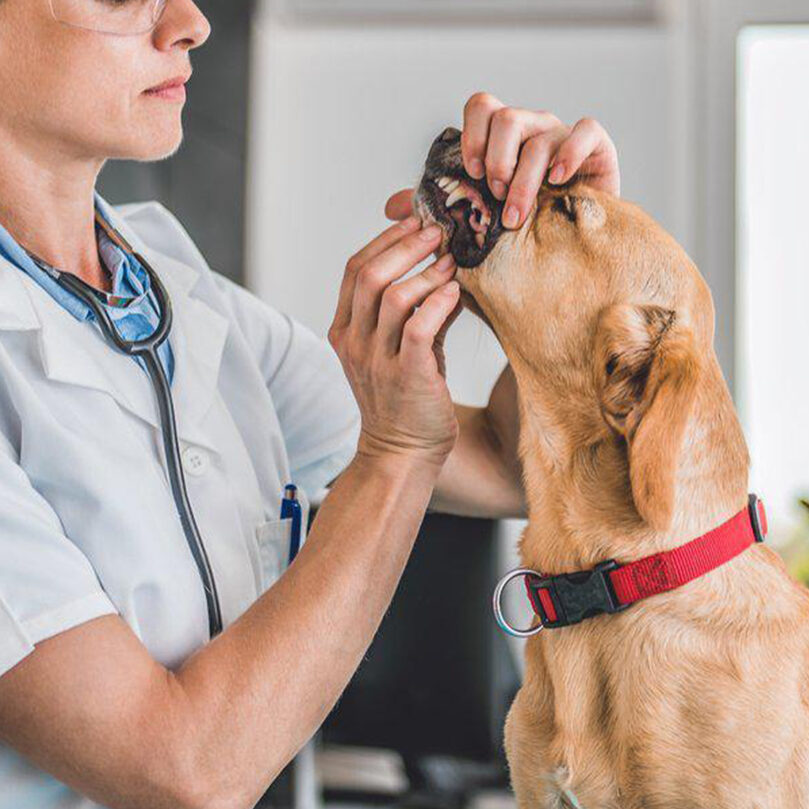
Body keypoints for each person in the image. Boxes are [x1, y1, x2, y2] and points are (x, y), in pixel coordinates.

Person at [0, 1, 621, 807]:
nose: (190, 22)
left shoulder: (177, 301)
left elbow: (516, 463)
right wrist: (395, 457)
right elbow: (184, 769)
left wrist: (575, 253)